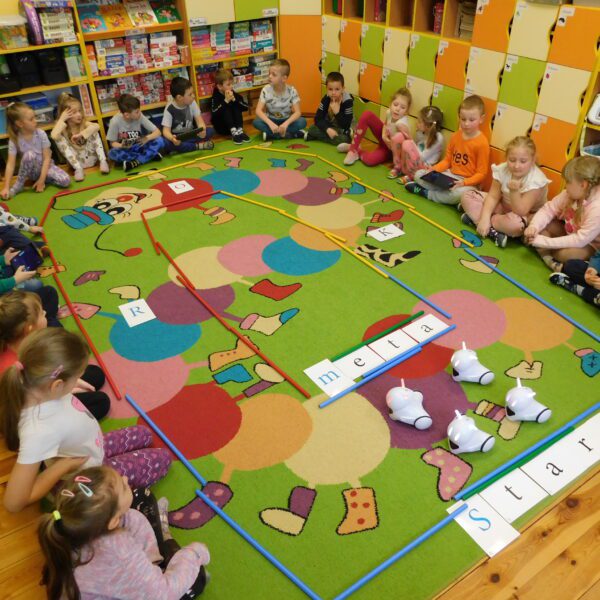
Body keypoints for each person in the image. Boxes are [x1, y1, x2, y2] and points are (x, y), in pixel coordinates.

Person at [0, 328, 171, 513]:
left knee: (144, 433)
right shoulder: (38, 432)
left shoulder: (36, 389)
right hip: (87, 473)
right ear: (57, 385)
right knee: (163, 458)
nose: (80, 379)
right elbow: (13, 503)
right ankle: (61, 492)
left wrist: (69, 388)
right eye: (77, 377)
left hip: (92, 447)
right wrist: (61, 467)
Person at [38, 466, 210, 600]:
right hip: (145, 586)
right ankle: (166, 544)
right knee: (197, 578)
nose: (126, 478)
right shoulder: (120, 555)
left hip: (123, 573)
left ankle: (158, 559)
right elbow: (163, 595)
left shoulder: (70, 526)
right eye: (123, 486)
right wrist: (194, 553)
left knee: (141, 496)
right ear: (112, 522)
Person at [0, 290, 110, 420]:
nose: (45, 312)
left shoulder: (28, 343)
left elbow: (51, 371)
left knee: (95, 373)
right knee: (101, 402)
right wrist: (65, 393)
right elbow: (33, 404)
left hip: (47, 386)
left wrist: (70, 381)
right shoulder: (17, 371)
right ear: (29, 328)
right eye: (41, 313)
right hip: (38, 409)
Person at [460, 136, 550, 248]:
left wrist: (514, 191)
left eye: (523, 161)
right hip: (503, 207)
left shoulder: (536, 180)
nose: (516, 166)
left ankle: (477, 220)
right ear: (506, 157)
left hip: (522, 216)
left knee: (515, 226)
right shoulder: (502, 169)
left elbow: (521, 211)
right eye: (512, 160)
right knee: (467, 195)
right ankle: (491, 230)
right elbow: (493, 196)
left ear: (532, 160)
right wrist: (484, 218)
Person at [406, 95, 490, 206]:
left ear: (481, 119)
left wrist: (464, 182)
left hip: (467, 183)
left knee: (459, 194)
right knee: (419, 174)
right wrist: (433, 169)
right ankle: (443, 196)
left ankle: (426, 193)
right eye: (463, 119)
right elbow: (447, 160)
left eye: (471, 120)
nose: (466, 123)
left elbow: (481, 174)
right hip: (449, 176)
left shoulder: (482, 143)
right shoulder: (455, 136)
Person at [524, 155, 600, 271]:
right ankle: (548, 255)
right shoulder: (569, 194)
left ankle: (547, 254)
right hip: (570, 233)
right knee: (536, 222)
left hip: (589, 245)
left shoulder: (596, 208)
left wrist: (545, 242)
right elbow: (548, 210)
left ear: (583, 185)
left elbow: (580, 240)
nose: (565, 186)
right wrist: (534, 227)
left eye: (568, 182)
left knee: (565, 255)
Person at [1, 102, 70, 199]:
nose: (35, 121)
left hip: (47, 168)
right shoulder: (15, 139)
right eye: (31, 119)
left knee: (66, 181)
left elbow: (47, 158)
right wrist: (6, 187)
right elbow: (10, 164)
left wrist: (41, 180)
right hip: (32, 172)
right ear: (20, 124)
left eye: (35, 117)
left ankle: (44, 181)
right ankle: (18, 186)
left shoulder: (41, 134)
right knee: (29, 154)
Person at [337, 87, 412, 167]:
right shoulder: (389, 112)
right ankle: (353, 149)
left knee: (369, 160)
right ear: (390, 104)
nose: (397, 109)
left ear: (406, 111)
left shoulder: (402, 125)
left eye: (402, 107)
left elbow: (409, 144)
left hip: (391, 150)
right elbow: (385, 124)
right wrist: (384, 136)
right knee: (367, 115)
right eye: (395, 105)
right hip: (385, 140)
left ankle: (356, 150)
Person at [51, 92, 109, 182]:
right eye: (74, 112)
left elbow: (97, 126)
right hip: (77, 163)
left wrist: (82, 134)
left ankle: (103, 161)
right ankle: (78, 169)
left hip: (92, 158)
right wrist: (61, 119)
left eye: (79, 111)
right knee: (59, 139)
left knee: (93, 130)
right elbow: (54, 136)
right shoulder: (63, 128)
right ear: (65, 115)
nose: (79, 114)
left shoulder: (84, 123)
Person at [106, 95, 165, 172]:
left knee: (160, 140)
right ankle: (149, 156)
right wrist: (122, 145)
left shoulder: (139, 116)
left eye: (139, 110)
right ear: (127, 115)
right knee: (112, 153)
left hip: (140, 145)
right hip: (126, 149)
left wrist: (147, 138)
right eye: (137, 112)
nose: (140, 113)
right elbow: (112, 143)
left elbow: (158, 132)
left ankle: (136, 162)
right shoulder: (115, 122)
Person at [253, 58, 307, 140]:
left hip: (286, 120)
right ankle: (288, 134)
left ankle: (272, 135)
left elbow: (298, 112)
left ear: (284, 78)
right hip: (271, 120)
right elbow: (258, 110)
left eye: (274, 75)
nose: (270, 76)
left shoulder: (292, 91)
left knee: (302, 121)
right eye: (269, 73)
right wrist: (270, 124)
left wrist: (286, 124)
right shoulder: (266, 90)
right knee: (256, 122)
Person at [162, 76, 214, 154]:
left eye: (192, 93)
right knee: (166, 142)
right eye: (190, 94)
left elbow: (200, 121)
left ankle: (184, 147)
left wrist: (202, 130)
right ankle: (198, 146)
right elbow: (165, 131)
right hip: (178, 137)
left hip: (191, 133)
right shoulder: (169, 108)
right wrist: (172, 138)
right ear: (179, 97)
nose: (193, 96)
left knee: (210, 131)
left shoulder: (192, 102)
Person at [391, 105, 443, 181]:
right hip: (413, 163)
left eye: (419, 122)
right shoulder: (421, 132)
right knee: (398, 136)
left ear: (427, 126)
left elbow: (422, 157)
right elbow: (415, 150)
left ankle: (411, 176)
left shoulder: (438, 137)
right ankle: (398, 167)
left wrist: (410, 138)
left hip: (424, 168)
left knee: (407, 144)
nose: (416, 123)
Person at [305, 71, 353, 146]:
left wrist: (337, 113)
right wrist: (327, 129)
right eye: (330, 89)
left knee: (345, 139)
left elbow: (346, 125)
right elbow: (318, 118)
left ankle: (314, 136)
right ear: (326, 89)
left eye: (337, 89)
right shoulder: (326, 99)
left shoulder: (347, 101)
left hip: (342, 129)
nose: (333, 93)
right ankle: (326, 137)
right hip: (329, 126)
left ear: (343, 89)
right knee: (311, 128)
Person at [210, 69, 250, 144]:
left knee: (236, 105)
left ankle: (240, 131)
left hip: (236, 127)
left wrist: (234, 100)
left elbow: (246, 107)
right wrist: (225, 101)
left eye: (232, 84)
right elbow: (214, 113)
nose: (231, 86)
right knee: (225, 107)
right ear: (219, 86)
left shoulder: (233, 93)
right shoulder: (215, 97)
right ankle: (234, 132)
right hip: (222, 128)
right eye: (228, 84)